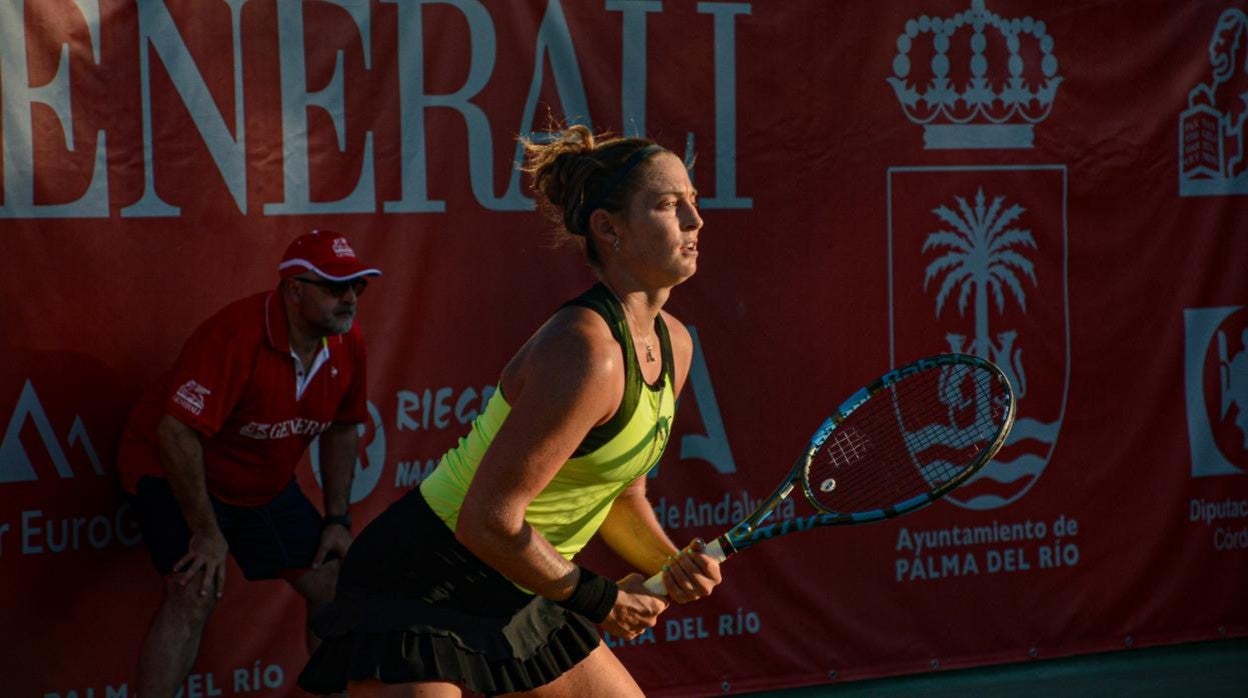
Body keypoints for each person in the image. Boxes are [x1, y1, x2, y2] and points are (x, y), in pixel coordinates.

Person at [298, 125, 723, 697]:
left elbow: (621, 496)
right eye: (670, 205)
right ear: (608, 228)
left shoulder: (676, 343)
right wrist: (600, 599)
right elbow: (487, 519)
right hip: (423, 582)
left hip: (525, 578)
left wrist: (671, 564)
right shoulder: (585, 352)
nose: (695, 221)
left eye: (693, 200)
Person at [115, 230, 381, 697]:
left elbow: (343, 429)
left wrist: (338, 519)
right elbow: (175, 434)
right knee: (192, 592)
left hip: (259, 484)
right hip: (171, 470)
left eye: (356, 286)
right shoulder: (236, 335)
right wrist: (206, 531)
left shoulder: (347, 340)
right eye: (335, 286)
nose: (350, 298)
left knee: (334, 585)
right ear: (294, 289)